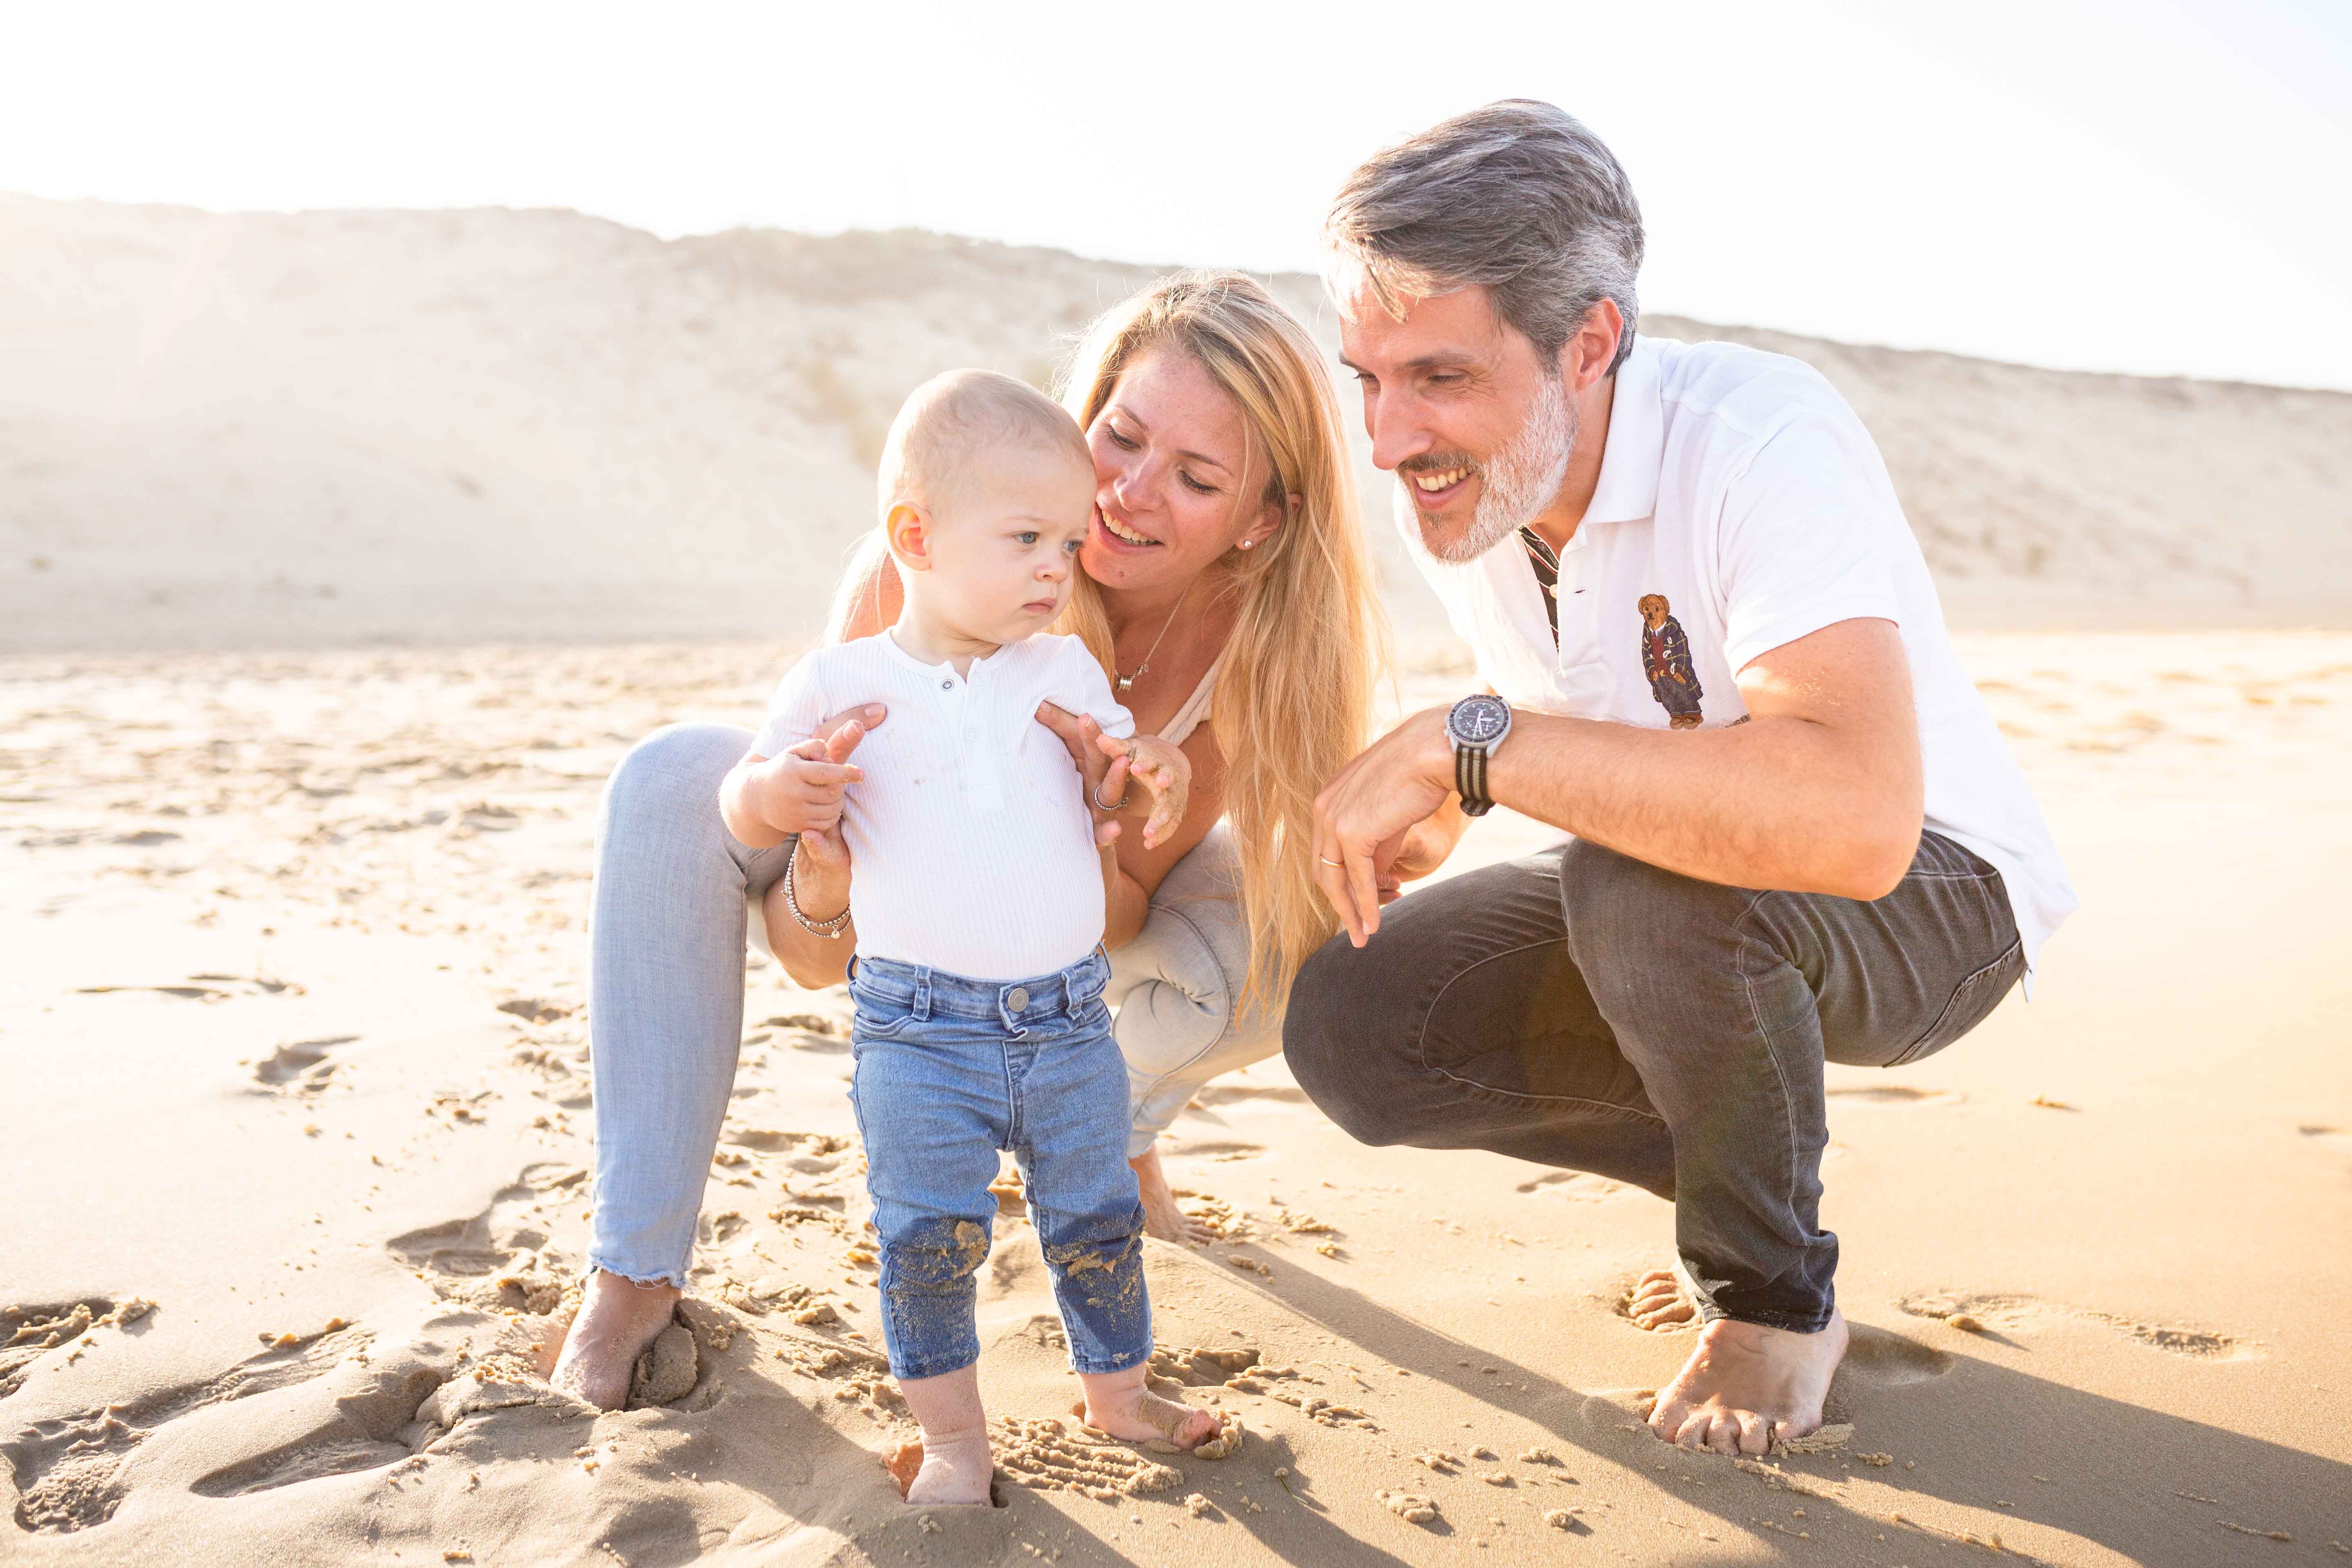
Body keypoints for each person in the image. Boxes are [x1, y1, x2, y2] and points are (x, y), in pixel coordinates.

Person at [1285, 101, 2077, 1457]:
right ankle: (1749, 1187)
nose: (1386, 437)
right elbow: (1594, 745)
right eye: (1367, 378)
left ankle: (1769, 1295)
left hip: (1942, 891)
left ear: (1589, 345)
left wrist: (1463, 744)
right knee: (1360, 1022)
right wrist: (1464, 792)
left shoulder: (1760, 435)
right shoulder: (1473, 498)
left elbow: (1856, 820)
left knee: (1652, 891)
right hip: (1707, 901)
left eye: (1438, 377)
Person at [550, 272, 1384, 1412]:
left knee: (1295, 926)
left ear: (1261, 523)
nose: (1131, 496)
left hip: (1061, 947)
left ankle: (1113, 1127)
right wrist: (825, 867)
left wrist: (1097, 825)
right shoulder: (926, 562)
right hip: (888, 927)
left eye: (1196, 479)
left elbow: (1118, 914)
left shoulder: (1253, 648)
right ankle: (633, 1272)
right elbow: (819, 962)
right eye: (1121, 438)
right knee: (665, 781)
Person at [726, 369, 1216, 1505]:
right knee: (926, 1241)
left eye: (1073, 537)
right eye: (1029, 537)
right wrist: (778, 795)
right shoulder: (840, 680)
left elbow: (1137, 780)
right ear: (916, 535)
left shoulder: (1064, 669)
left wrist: (1148, 776)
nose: (1062, 564)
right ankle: (954, 1442)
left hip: (1066, 1021)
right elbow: (742, 796)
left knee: (1097, 1219)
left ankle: (1122, 1396)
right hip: (915, 1030)